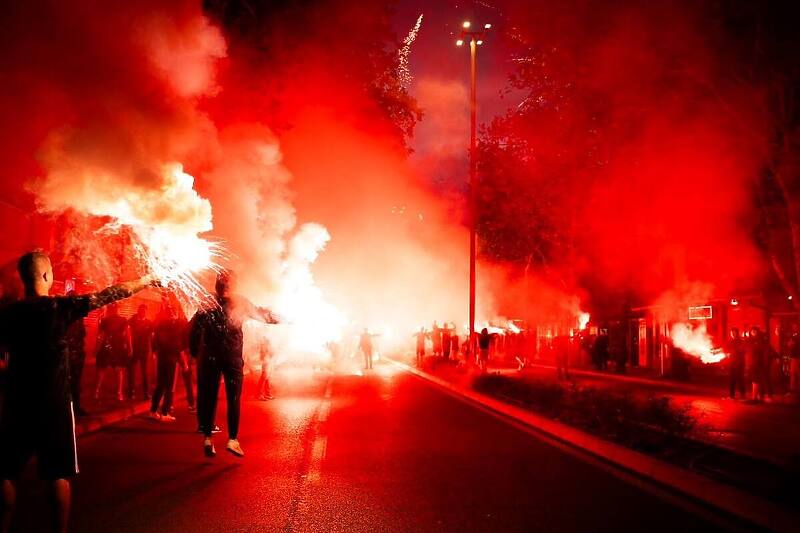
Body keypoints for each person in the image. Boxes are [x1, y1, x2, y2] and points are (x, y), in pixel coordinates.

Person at [0, 250, 154, 533]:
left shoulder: (8, 314)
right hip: (54, 405)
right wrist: (145, 280)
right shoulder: (60, 308)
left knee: (5, 473)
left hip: (16, 403)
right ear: (47, 275)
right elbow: (110, 294)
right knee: (57, 475)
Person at [190, 272, 279, 458]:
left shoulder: (207, 301)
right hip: (231, 357)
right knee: (234, 398)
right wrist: (284, 318)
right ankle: (232, 440)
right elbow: (264, 317)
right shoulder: (240, 302)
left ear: (217, 285)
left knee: (209, 397)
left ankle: (207, 438)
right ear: (234, 285)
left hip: (210, 358)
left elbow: (194, 327)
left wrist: (193, 352)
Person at [149, 300, 187, 422]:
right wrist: (184, 362)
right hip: (171, 358)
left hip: (162, 357)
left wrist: (154, 352)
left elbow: (154, 340)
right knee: (170, 386)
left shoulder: (161, 325)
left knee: (160, 385)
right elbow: (178, 346)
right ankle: (165, 412)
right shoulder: (175, 327)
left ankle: (153, 411)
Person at [94, 303, 130, 402]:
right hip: (110, 347)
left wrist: (130, 347)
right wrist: (97, 348)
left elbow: (127, 334)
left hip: (115, 347)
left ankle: (116, 393)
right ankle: (99, 391)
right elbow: (100, 336)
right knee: (105, 370)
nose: (114, 310)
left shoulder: (121, 320)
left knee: (115, 370)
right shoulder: (106, 320)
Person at [64, 294, 87, 417]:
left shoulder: (78, 317)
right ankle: (68, 409)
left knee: (76, 383)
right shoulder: (63, 316)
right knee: (66, 383)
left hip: (77, 354)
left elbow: (83, 335)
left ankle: (76, 408)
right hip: (67, 355)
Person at [127, 304, 153, 401]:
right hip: (134, 349)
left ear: (146, 312)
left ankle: (146, 393)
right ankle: (131, 393)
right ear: (138, 311)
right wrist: (129, 347)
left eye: (144, 311)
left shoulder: (149, 323)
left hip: (144, 350)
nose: (142, 312)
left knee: (145, 373)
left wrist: (151, 351)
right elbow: (128, 331)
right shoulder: (132, 320)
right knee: (131, 372)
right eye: (141, 310)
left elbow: (151, 337)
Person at [746, 326, 766, 402]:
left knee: (756, 380)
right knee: (755, 380)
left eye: (755, 331)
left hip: (757, 363)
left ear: (757, 332)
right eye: (752, 331)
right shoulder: (750, 341)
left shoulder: (760, 341)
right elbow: (746, 350)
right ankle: (756, 397)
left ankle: (755, 397)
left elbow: (762, 351)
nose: (753, 333)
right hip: (751, 363)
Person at [726, 328, 746, 399]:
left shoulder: (741, 341)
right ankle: (732, 395)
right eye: (732, 333)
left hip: (739, 363)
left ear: (737, 333)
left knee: (740, 379)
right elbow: (727, 350)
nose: (733, 334)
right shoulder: (731, 342)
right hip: (732, 363)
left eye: (734, 333)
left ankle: (743, 394)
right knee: (732, 379)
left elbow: (742, 351)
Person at [257, 335, 274, 401]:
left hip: (267, 360)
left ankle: (267, 393)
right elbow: (264, 353)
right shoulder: (264, 342)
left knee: (267, 377)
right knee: (264, 376)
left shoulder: (266, 342)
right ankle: (259, 395)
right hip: (266, 360)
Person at [788, 323, 800, 395]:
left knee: (796, 373)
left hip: (797, 357)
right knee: (793, 373)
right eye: (793, 327)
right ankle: (793, 388)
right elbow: (790, 345)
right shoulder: (793, 336)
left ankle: (795, 388)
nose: (794, 328)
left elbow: (790, 345)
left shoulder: (796, 336)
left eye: (795, 327)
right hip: (794, 357)